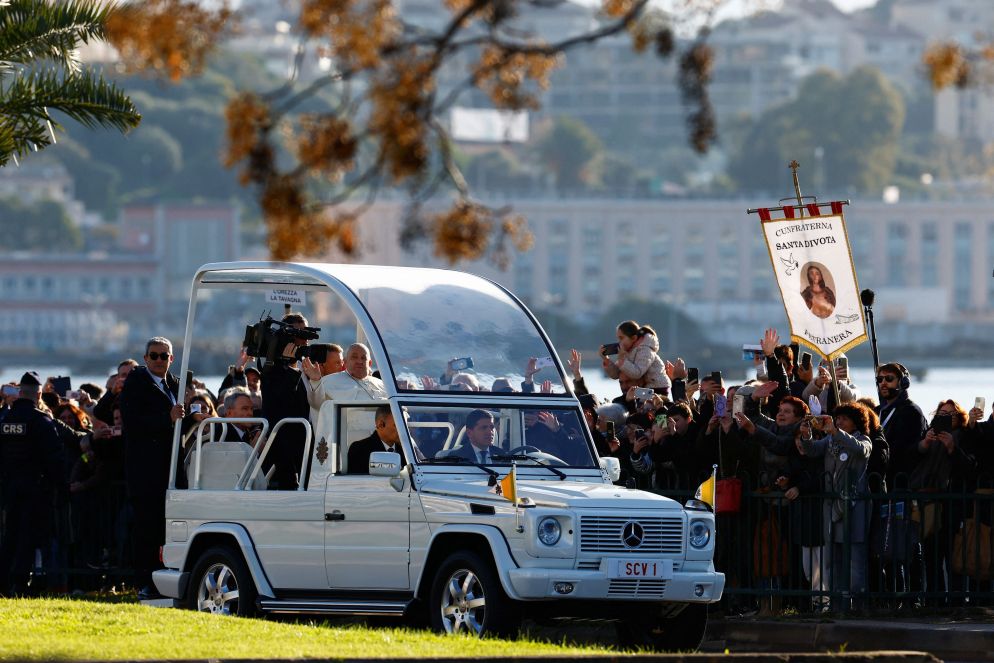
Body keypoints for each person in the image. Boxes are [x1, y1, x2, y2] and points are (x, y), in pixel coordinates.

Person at [118, 337, 184, 601]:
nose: (159, 360)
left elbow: (180, 424)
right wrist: (166, 418)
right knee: (147, 528)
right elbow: (133, 423)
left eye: (163, 356)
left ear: (171, 358)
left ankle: (167, 577)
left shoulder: (176, 384)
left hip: (170, 467)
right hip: (146, 470)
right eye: (154, 356)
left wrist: (192, 418)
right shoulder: (135, 383)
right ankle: (145, 581)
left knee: (168, 528)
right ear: (145, 359)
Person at [799, 402, 874, 610]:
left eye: (844, 419)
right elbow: (813, 450)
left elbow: (861, 451)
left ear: (856, 422)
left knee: (855, 561)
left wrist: (836, 431)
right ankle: (838, 606)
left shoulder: (863, 439)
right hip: (832, 507)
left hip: (854, 508)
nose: (839, 422)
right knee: (833, 560)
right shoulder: (831, 440)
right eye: (837, 418)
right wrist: (807, 436)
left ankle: (859, 607)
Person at [0, 372, 64, 596]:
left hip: (9, 487)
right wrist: (62, 486)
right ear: (38, 393)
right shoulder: (40, 420)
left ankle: (3, 582)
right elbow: (55, 457)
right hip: (35, 488)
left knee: (9, 536)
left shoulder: (6, 419)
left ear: (20, 392)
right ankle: (19, 583)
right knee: (28, 536)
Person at [260, 313, 312, 490]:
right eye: (300, 335)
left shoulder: (306, 368)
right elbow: (277, 402)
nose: (305, 340)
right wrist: (288, 366)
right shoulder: (271, 370)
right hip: (284, 440)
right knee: (289, 485)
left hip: (305, 436)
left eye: (307, 334)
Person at [600, 320, 670, 394]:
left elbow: (637, 373)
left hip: (657, 387)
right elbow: (616, 374)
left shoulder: (645, 350)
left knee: (635, 403)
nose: (619, 342)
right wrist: (606, 359)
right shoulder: (627, 351)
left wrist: (621, 359)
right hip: (645, 388)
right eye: (618, 339)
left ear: (633, 338)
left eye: (621, 338)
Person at [303, 343, 387, 404]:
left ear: (369, 363)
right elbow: (316, 404)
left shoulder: (382, 385)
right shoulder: (327, 382)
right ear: (345, 362)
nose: (359, 361)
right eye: (354, 357)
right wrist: (315, 381)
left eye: (363, 358)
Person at [347, 405, 405, 474]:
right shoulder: (360, 449)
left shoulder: (406, 449)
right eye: (397, 425)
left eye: (405, 425)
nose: (403, 430)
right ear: (380, 425)